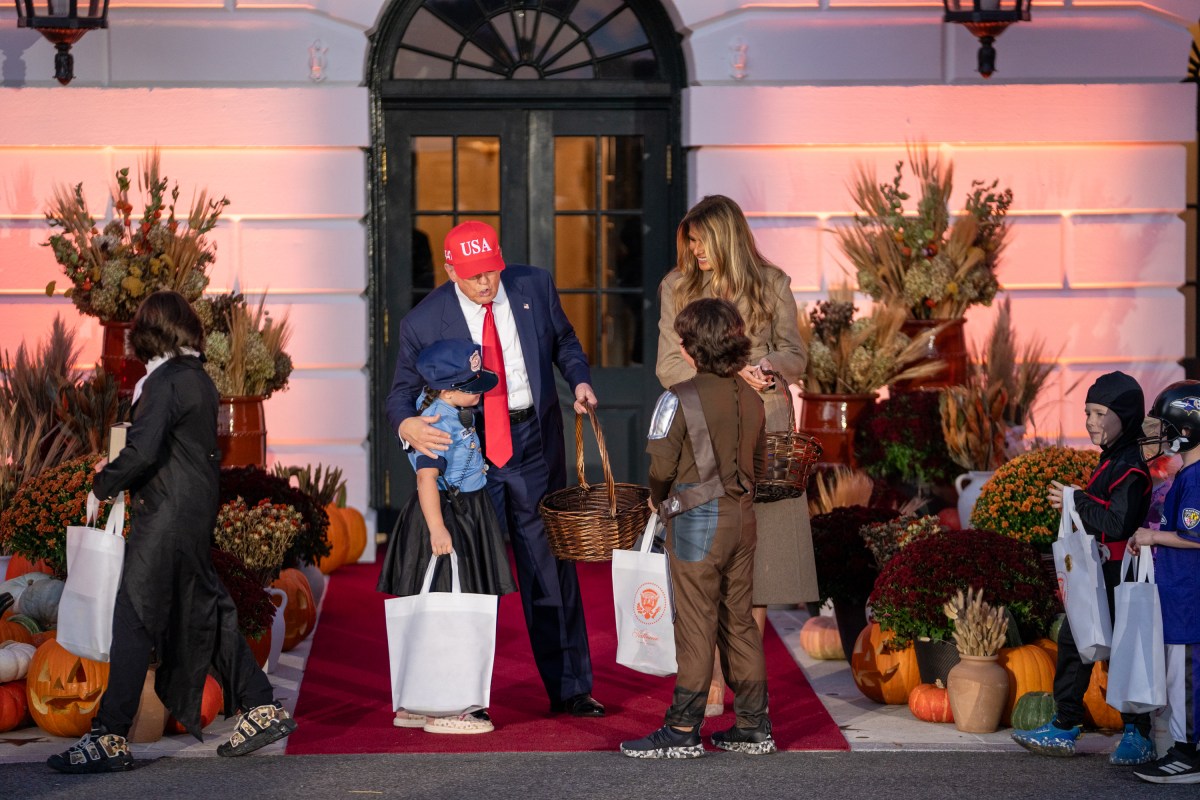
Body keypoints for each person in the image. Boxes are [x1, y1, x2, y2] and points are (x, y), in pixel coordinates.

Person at [48, 291, 296, 774]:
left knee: (135, 617)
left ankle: (110, 737)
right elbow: (171, 450)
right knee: (206, 606)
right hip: (190, 511)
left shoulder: (162, 383)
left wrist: (104, 482)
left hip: (164, 516)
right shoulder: (198, 379)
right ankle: (260, 706)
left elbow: (143, 452)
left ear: (150, 332)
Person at [386, 220, 604, 717]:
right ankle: (465, 696)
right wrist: (408, 426)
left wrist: (580, 380)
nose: (486, 283)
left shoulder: (533, 286)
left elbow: (565, 341)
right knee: (470, 575)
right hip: (468, 455)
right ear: (450, 269)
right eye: (474, 275)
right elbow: (400, 393)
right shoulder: (422, 321)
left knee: (549, 570)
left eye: (492, 271)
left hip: (531, 445)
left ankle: (571, 689)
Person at [655, 194, 816, 715]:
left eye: (701, 239)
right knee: (706, 562)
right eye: (691, 240)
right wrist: (725, 370)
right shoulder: (676, 288)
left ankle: (742, 690)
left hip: (766, 432)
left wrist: (765, 364)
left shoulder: (773, 284)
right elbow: (667, 366)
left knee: (760, 563)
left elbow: (795, 353)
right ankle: (712, 683)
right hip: (704, 431)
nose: (695, 249)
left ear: (725, 236)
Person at [620, 297, 773, 759]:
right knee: (739, 622)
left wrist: (657, 498)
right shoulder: (751, 397)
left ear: (690, 349)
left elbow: (661, 468)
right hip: (743, 519)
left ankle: (683, 729)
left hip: (696, 522)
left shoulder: (677, 398)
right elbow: (760, 464)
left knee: (695, 624)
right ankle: (753, 726)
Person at [1011, 371, 1154, 764]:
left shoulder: (1131, 466)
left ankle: (1139, 735)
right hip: (1098, 574)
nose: (1090, 422)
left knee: (1123, 653)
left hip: (1120, 575)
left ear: (1124, 416)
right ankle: (1065, 725)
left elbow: (1118, 522)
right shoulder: (1112, 460)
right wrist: (1077, 502)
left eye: (1099, 413)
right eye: (1086, 412)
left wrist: (1075, 500)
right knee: (1076, 644)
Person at [378, 338, 517, 734]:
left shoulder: (458, 413)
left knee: (455, 603)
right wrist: (438, 528)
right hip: (448, 518)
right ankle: (449, 704)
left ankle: (422, 699)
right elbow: (426, 479)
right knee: (448, 607)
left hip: (468, 512)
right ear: (447, 389)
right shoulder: (435, 424)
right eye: (471, 386)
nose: (478, 392)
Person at [1127, 380, 1200, 784]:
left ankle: (1188, 754)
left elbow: (1196, 534)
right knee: (1183, 675)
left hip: (1188, 600)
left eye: (1165, 429)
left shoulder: (1195, 478)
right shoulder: (1189, 474)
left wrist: (1150, 535)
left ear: (1186, 430)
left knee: (1184, 676)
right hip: (1181, 595)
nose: (1157, 437)